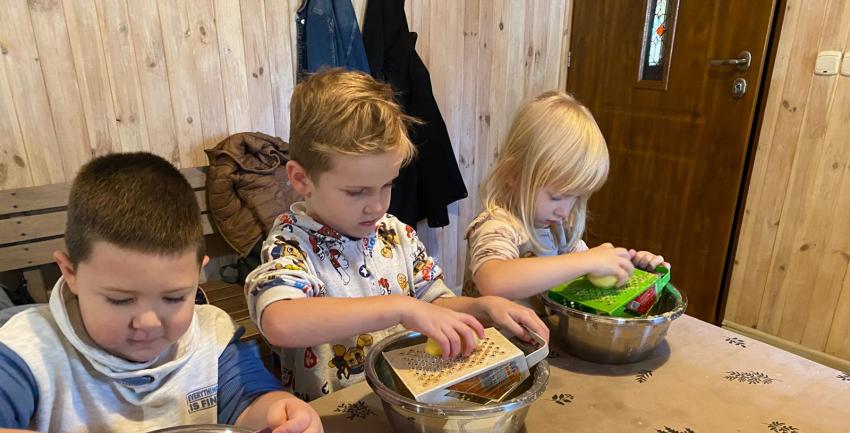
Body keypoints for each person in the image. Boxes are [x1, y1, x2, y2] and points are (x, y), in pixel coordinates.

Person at [0, 152, 324, 433]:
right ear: (70, 272)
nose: (149, 323)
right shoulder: (29, 352)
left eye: (173, 298)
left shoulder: (211, 336)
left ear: (198, 274)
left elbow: (248, 401)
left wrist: (281, 413)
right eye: (120, 300)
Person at [245, 68, 548, 400]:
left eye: (387, 185)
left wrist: (482, 307)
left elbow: (435, 303)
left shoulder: (395, 233)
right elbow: (280, 322)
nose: (377, 206)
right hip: (331, 416)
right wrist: (400, 308)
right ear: (301, 179)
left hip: (404, 399)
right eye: (356, 192)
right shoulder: (291, 245)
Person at [464, 91, 669, 308]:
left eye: (575, 197)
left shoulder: (558, 229)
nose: (564, 211)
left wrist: (630, 267)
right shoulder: (497, 225)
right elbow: (493, 281)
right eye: (557, 197)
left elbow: (588, 273)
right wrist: (587, 260)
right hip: (492, 331)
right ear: (513, 175)